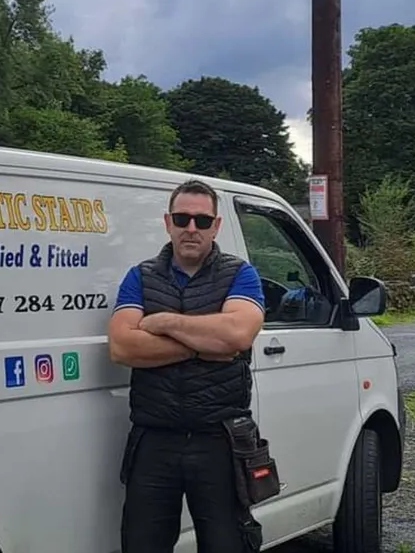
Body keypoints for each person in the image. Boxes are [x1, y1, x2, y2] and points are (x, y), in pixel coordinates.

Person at [108, 178, 267, 553]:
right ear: (168, 223)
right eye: (182, 219)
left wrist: (164, 323)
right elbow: (122, 346)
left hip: (219, 439)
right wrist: (203, 343)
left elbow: (237, 336)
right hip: (153, 440)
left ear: (216, 226)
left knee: (226, 544)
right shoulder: (141, 276)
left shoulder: (240, 274)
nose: (191, 228)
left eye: (201, 220)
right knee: (142, 545)